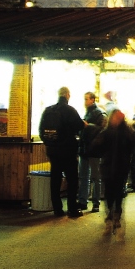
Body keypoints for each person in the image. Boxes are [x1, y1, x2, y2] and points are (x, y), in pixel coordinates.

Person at [38, 87, 86, 218]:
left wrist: (50, 144)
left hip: (53, 151)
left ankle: (57, 209)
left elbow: (41, 130)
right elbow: (80, 126)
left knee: (55, 180)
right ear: (67, 95)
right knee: (72, 180)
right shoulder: (70, 110)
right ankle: (72, 209)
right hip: (68, 150)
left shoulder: (48, 110)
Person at [90, 109, 135, 239]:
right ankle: (110, 216)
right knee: (109, 193)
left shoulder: (126, 132)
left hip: (121, 167)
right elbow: (95, 147)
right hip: (108, 167)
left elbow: (134, 144)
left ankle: (116, 216)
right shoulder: (106, 132)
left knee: (118, 193)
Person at [78, 92, 106, 211]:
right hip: (86, 149)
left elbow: (102, 130)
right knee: (86, 176)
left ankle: (95, 202)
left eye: (86, 99)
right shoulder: (89, 112)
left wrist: (87, 126)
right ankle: (84, 201)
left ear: (92, 100)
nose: (84, 102)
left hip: (93, 150)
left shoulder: (99, 113)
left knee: (94, 177)